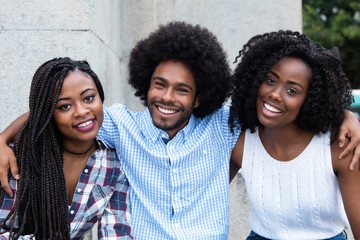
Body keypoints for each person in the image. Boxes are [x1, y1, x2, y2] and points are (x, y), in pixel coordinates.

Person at [0, 22, 360, 239]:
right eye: (159, 85)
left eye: (182, 89)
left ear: (200, 96)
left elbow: (280, 105)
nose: (166, 97)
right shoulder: (122, 125)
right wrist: (3, 139)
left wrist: (345, 114)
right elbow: (65, 109)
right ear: (146, 84)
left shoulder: (225, 124)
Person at [229, 30, 360, 239]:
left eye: (292, 91)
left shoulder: (339, 144)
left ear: (310, 99)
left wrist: (348, 117)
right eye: (270, 80)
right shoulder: (240, 141)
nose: (274, 94)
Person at [0, 58, 132, 239]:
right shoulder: (19, 157)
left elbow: (116, 233)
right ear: (50, 114)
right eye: (65, 106)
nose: (81, 111)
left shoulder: (114, 167)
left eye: (88, 98)